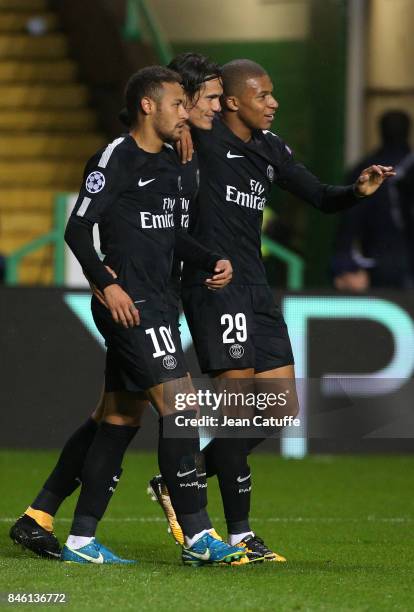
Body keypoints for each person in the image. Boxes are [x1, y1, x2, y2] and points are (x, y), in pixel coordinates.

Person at [148, 56, 395, 562]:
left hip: (258, 288)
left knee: (281, 408)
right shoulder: (202, 138)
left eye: (273, 93)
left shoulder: (271, 148)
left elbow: (322, 198)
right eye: (262, 94)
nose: (273, 102)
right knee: (238, 410)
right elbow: (172, 106)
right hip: (214, 286)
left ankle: (182, 474)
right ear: (231, 101)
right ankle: (238, 535)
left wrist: (357, 191)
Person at [10, 65, 244, 567]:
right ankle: (200, 536)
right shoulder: (115, 158)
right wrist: (108, 284)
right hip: (131, 305)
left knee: (116, 418)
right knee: (182, 410)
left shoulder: (170, 164)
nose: (185, 113)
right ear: (148, 105)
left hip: (161, 302)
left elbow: (168, 234)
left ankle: (67, 530)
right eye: (179, 104)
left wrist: (209, 259)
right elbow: (78, 229)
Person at [333, 110, 412, 290]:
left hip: (377, 262)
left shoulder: (363, 171)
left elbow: (349, 221)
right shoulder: (408, 168)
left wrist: (345, 266)